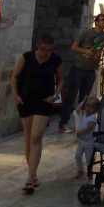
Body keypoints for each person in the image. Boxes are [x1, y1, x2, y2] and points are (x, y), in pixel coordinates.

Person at [10, 34, 64, 194]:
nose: (46, 53)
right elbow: (14, 76)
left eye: (49, 50)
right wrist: (15, 94)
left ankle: (29, 178)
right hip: (26, 100)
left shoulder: (56, 60)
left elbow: (61, 80)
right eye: (43, 49)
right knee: (28, 138)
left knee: (36, 136)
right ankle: (33, 176)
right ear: (38, 46)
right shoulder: (27, 57)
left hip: (44, 101)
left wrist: (56, 95)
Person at [58, 13, 104, 133]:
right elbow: (74, 47)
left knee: (85, 98)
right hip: (78, 67)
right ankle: (63, 122)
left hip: (91, 70)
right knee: (71, 95)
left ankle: (82, 123)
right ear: (96, 22)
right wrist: (85, 51)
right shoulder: (86, 33)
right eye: (102, 20)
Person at [73, 96, 100, 178]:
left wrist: (80, 132)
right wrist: (83, 101)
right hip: (81, 140)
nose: (88, 108)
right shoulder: (83, 114)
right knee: (77, 155)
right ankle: (80, 170)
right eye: (87, 105)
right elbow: (77, 109)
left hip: (89, 141)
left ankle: (89, 170)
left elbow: (88, 129)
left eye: (91, 107)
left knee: (89, 158)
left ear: (95, 109)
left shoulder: (92, 118)